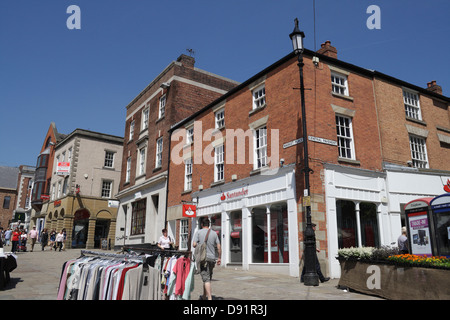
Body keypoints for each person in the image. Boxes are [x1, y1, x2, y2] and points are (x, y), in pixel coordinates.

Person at [193, 219, 221, 300]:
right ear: (209, 225)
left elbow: (194, 244)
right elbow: (219, 247)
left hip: (203, 259)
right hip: (212, 258)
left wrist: (199, 243)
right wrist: (219, 257)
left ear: (202, 224)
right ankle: (204, 296)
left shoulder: (198, 232)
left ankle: (209, 298)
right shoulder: (214, 233)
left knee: (206, 279)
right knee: (207, 278)